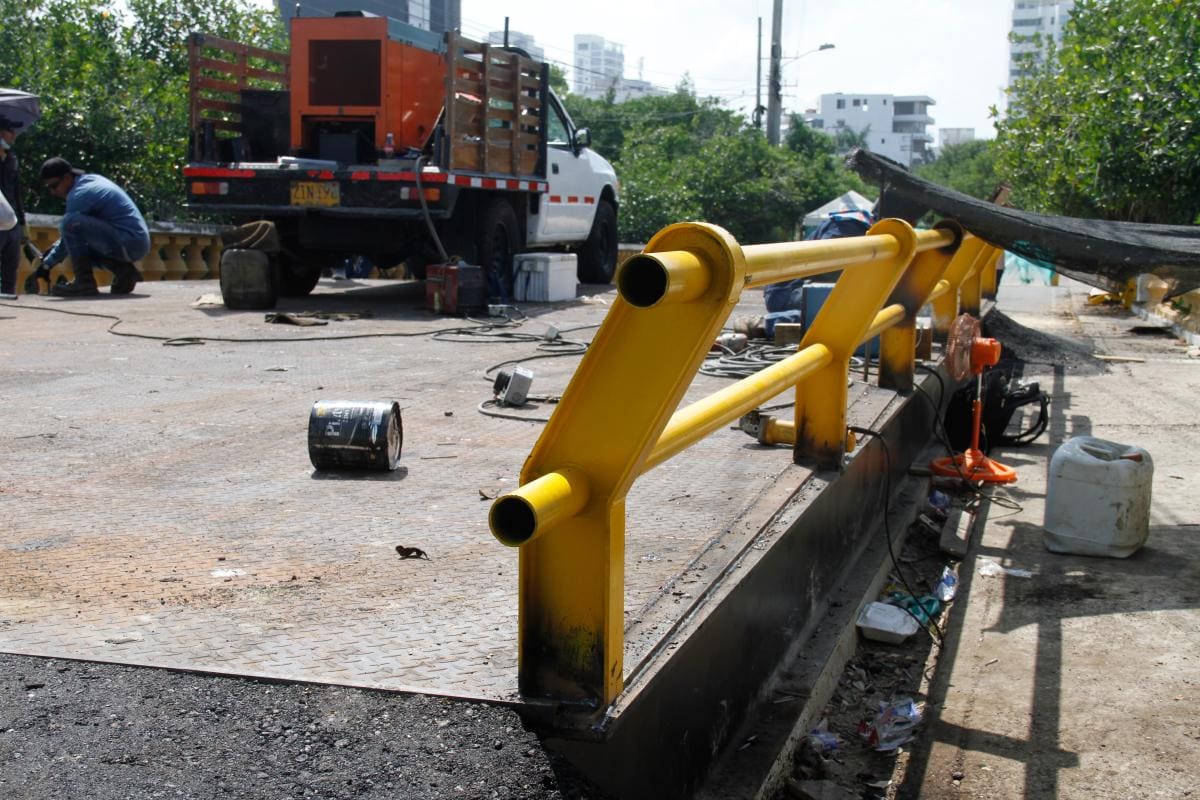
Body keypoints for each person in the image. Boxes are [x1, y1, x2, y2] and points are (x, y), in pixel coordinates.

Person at [38, 157, 150, 297]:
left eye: (53, 186)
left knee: (70, 221)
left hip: (128, 242)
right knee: (79, 244)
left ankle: (84, 282)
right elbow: (72, 239)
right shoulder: (92, 180)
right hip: (134, 243)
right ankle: (124, 272)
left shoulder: (80, 194)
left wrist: (47, 265)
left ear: (66, 178)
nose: (53, 192)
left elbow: (70, 228)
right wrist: (52, 253)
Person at [0, 117, 26, 298]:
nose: (13, 136)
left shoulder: (12, 159)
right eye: (10, 131)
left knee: (11, 266)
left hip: (11, 220)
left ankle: (8, 301)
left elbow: (17, 193)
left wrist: (23, 224)